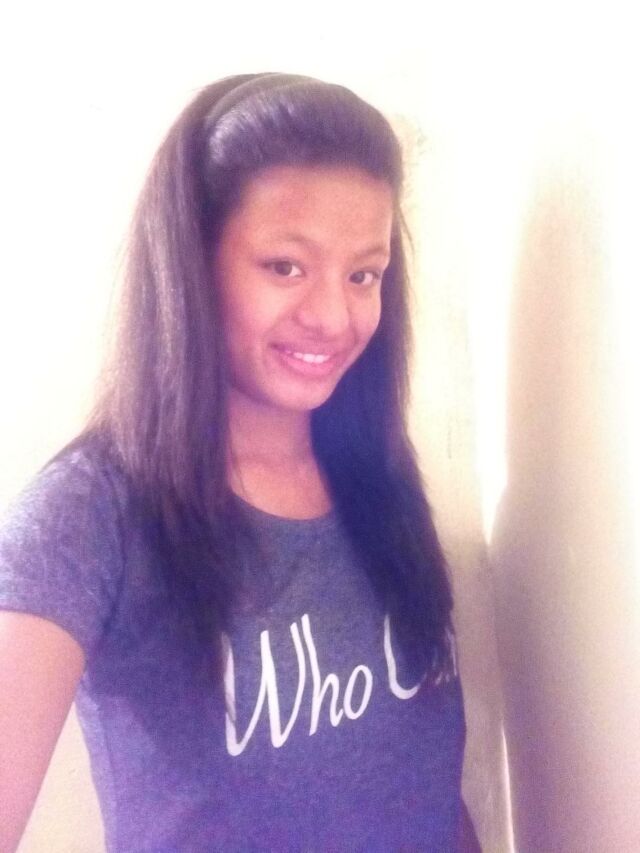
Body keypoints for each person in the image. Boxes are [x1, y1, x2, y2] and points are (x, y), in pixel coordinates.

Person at [0, 73, 480, 851]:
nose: (333, 315)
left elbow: (422, 780)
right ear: (192, 263)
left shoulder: (377, 475)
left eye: (363, 274)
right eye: (285, 266)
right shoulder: (89, 516)